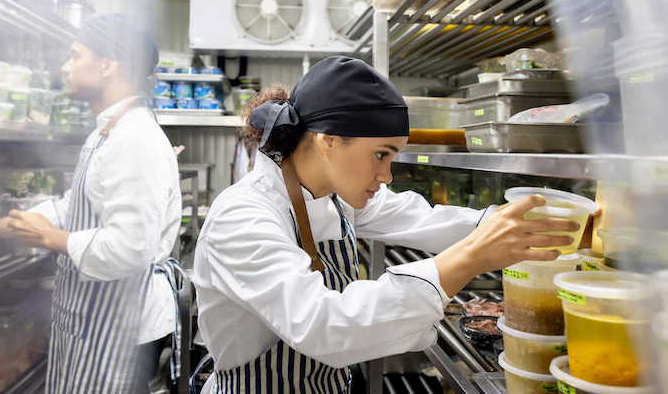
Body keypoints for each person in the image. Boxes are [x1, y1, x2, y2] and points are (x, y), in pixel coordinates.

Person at [191, 56, 580, 393]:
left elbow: (421, 218)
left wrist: (519, 223)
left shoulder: (333, 193)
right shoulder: (243, 215)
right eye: (380, 154)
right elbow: (323, 325)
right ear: (328, 140)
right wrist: (470, 259)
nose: (387, 175)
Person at [0, 13, 183, 394]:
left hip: (119, 332)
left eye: (75, 55)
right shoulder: (107, 130)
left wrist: (51, 239)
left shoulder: (134, 138)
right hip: (95, 322)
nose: (65, 66)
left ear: (107, 65)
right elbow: (73, 206)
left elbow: (129, 250)